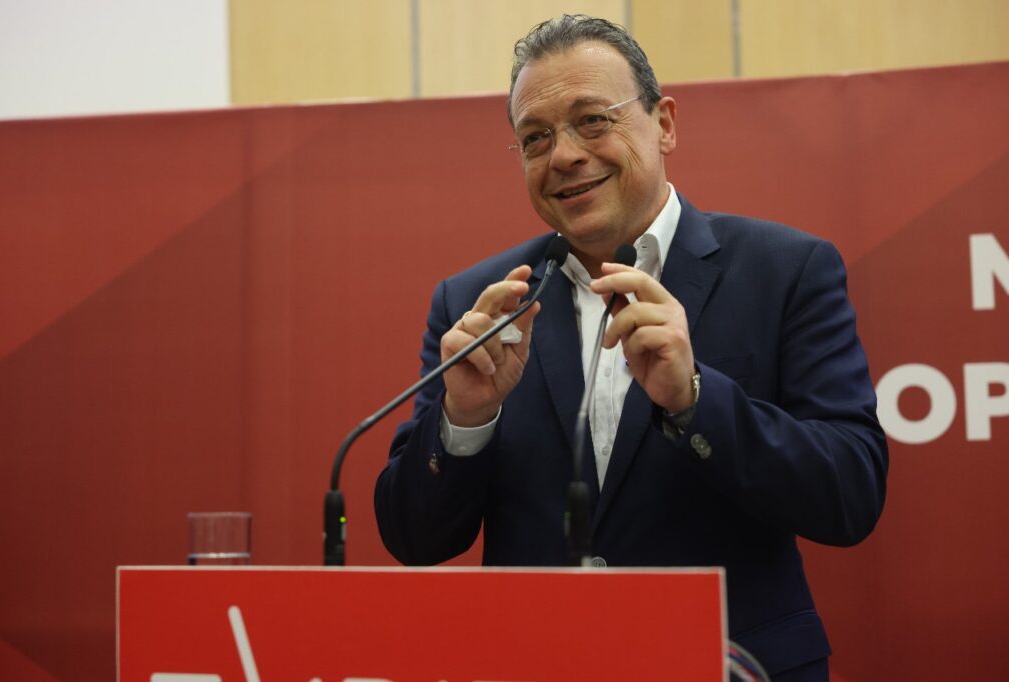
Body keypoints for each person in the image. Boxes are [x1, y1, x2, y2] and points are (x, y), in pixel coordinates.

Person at [375, 14, 887, 680]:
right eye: (535, 138)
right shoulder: (479, 305)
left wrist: (695, 399)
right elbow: (414, 539)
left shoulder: (786, 270)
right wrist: (466, 420)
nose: (563, 155)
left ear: (664, 123)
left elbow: (850, 494)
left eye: (592, 120)